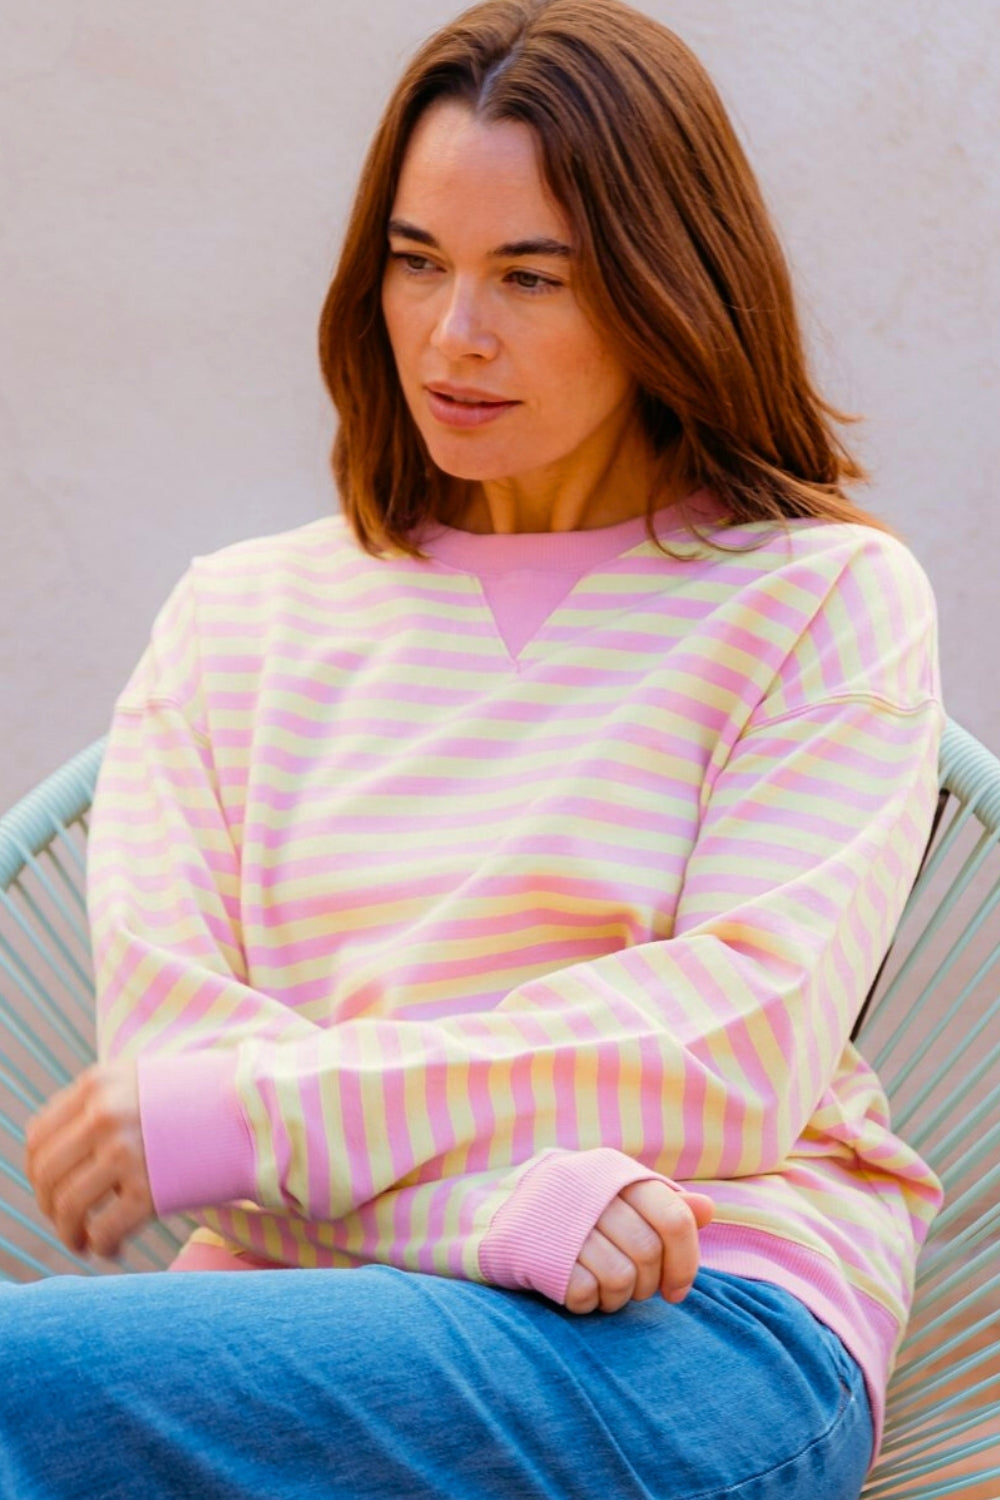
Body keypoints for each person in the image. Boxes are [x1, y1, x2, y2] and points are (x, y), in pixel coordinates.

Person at [4, 1, 943, 1495]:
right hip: (292, 1324)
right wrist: (504, 1214)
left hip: (690, 1319)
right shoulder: (235, 623)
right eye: (417, 260)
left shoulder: (820, 600)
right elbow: (176, 1072)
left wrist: (256, 1125)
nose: (455, 334)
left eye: (531, 276)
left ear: (665, 288)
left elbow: (734, 1049)